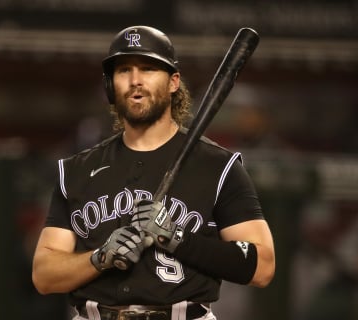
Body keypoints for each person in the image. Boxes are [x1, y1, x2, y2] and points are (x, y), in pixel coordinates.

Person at [32, 25, 275, 320]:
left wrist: (177, 238)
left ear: (173, 82)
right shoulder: (78, 170)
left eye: (148, 69)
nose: (135, 80)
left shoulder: (218, 166)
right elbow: (44, 275)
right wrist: (100, 258)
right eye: (124, 71)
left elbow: (263, 266)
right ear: (111, 85)